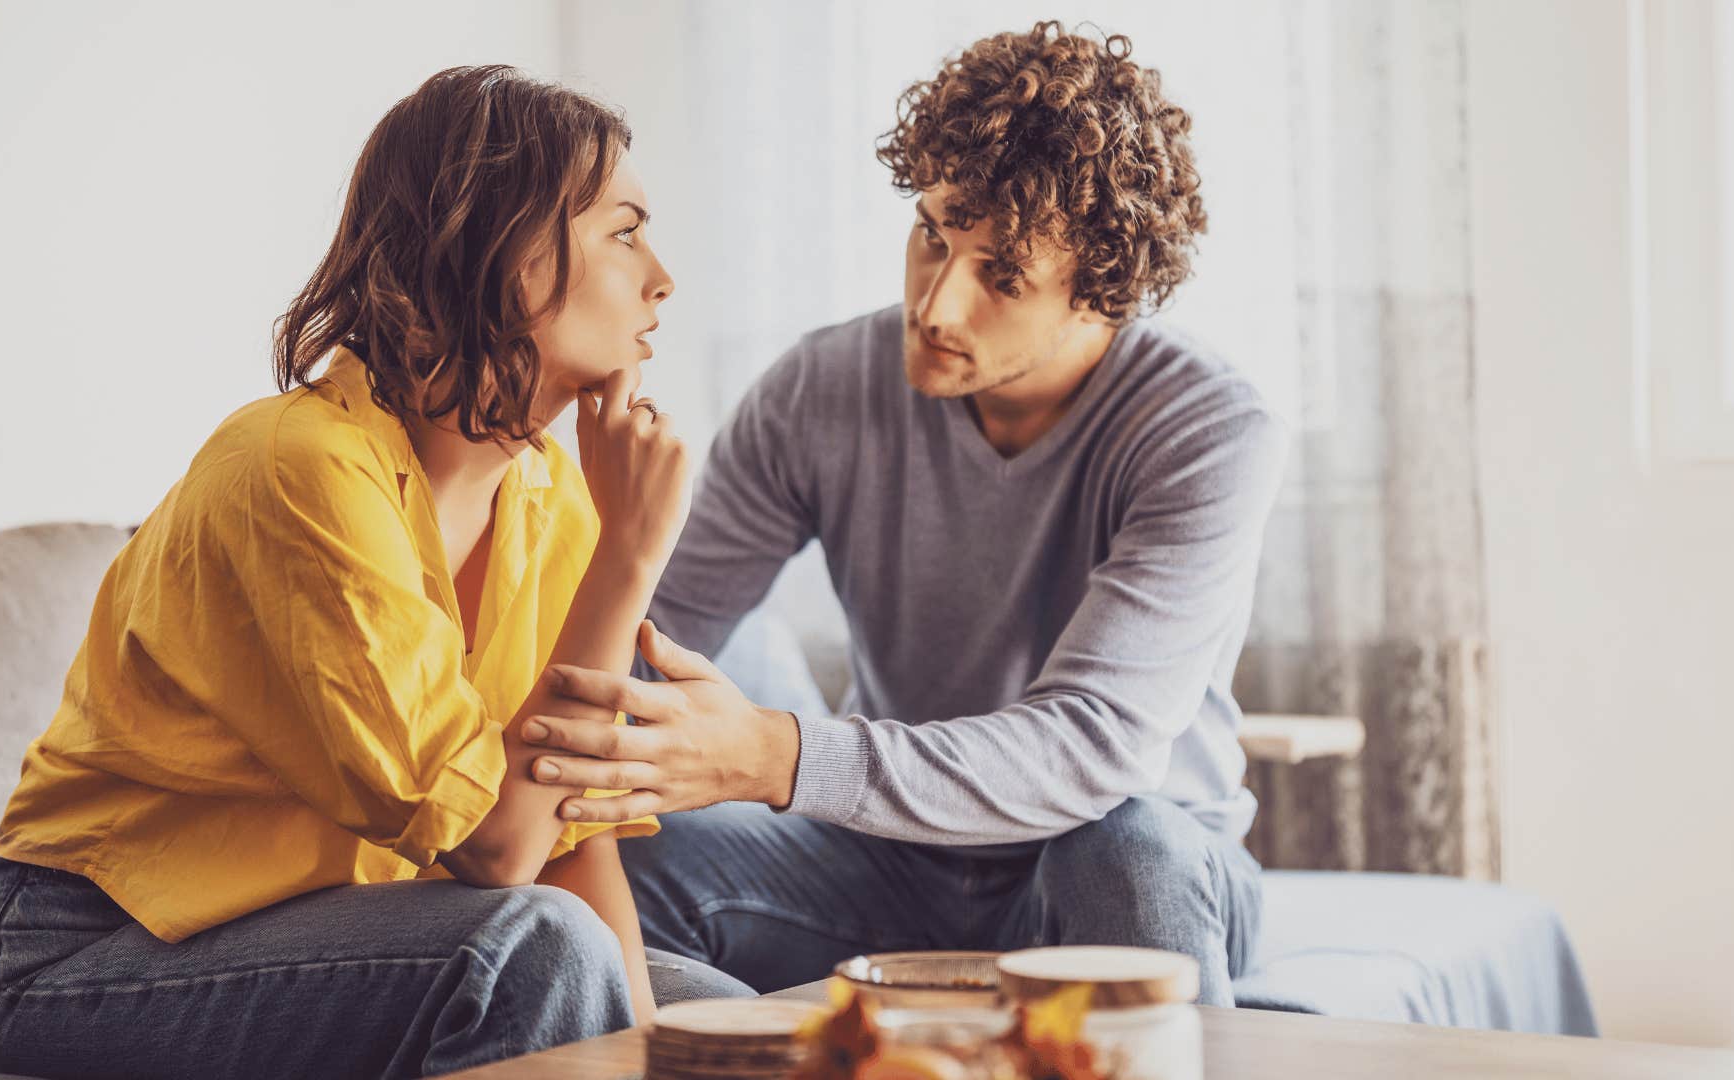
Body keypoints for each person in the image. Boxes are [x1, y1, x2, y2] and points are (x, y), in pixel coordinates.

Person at [0, 65, 746, 1080]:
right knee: (536, 954)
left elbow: (564, 841)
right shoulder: (298, 468)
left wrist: (648, 1054)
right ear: (503, 251)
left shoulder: (551, 494)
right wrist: (630, 562)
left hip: (339, 927)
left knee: (713, 1022)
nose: (663, 278)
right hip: (79, 948)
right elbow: (500, 857)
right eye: (625, 233)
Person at [514, 22, 1288, 1008]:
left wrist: (775, 755)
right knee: (596, 876)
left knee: (1129, 851)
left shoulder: (1208, 426)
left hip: (1102, 864)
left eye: (1001, 274)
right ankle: (768, 1051)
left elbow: (1092, 745)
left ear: (1105, 296)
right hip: (884, 865)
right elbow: (645, 650)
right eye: (934, 233)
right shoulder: (820, 388)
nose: (936, 304)